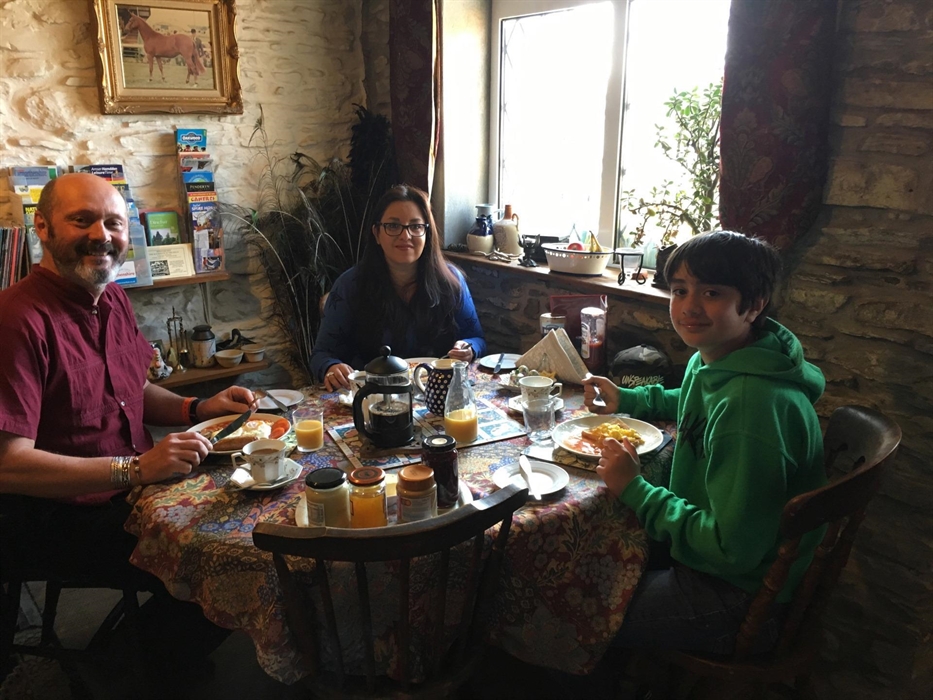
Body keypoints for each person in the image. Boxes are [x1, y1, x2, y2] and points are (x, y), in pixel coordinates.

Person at [0, 173, 252, 657]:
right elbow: (8, 463)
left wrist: (198, 408)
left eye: (113, 223)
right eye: (82, 220)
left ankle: (155, 647)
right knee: (224, 555)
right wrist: (136, 468)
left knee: (245, 504)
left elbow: (131, 389)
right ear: (43, 227)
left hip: (133, 492)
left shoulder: (111, 297)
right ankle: (142, 661)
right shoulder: (17, 320)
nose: (101, 235)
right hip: (55, 518)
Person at [582, 230, 826, 655]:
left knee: (582, 613)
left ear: (753, 305)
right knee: (589, 561)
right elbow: (693, 401)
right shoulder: (720, 357)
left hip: (738, 591)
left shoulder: (752, 407)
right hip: (720, 559)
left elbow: (733, 551)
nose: (689, 307)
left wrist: (637, 489)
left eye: (711, 292)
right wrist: (631, 399)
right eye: (679, 290)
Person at [310, 184, 487, 391]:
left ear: (427, 233)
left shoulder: (451, 282)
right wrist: (331, 367)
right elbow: (321, 355)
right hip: (372, 398)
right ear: (376, 233)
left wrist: (469, 348)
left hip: (436, 394)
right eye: (393, 226)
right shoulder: (350, 285)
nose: (405, 236)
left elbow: (478, 339)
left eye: (416, 226)